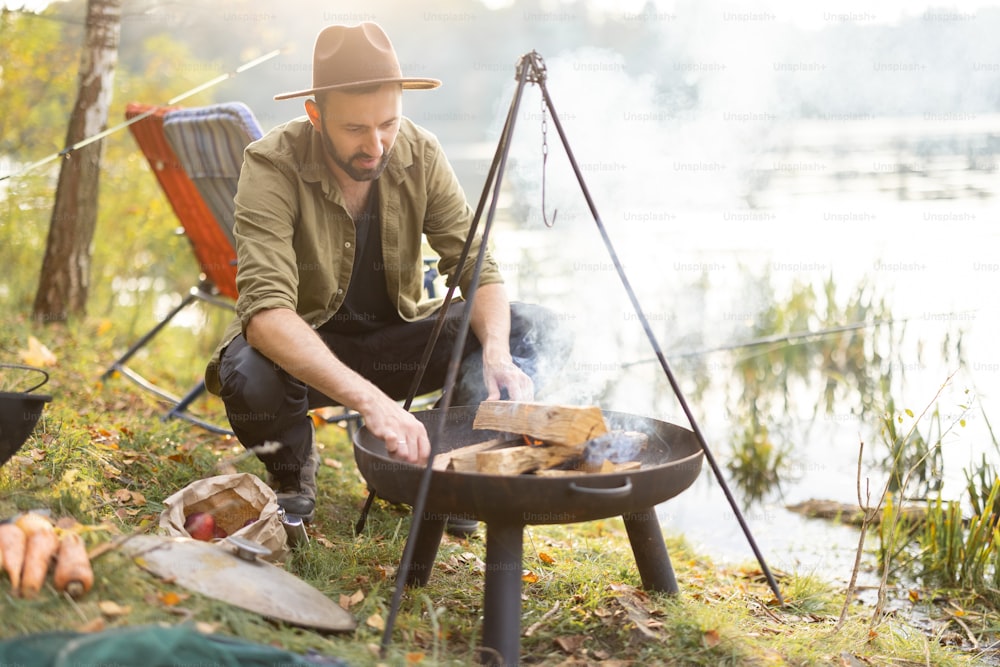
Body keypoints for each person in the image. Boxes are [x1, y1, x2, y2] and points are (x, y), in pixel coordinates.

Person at [203, 22, 566, 526]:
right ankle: (291, 474)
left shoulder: (420, 151)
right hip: (307, 356)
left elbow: (476, 263)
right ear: (315, 115)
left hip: (399, 346)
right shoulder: (271, 165)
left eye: (388, 124)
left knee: (527, 327)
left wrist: (498, 355)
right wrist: (372, 403)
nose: (376, 145)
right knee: (245, 371)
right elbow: (265, 314)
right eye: (355, 129)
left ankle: (444, 467)